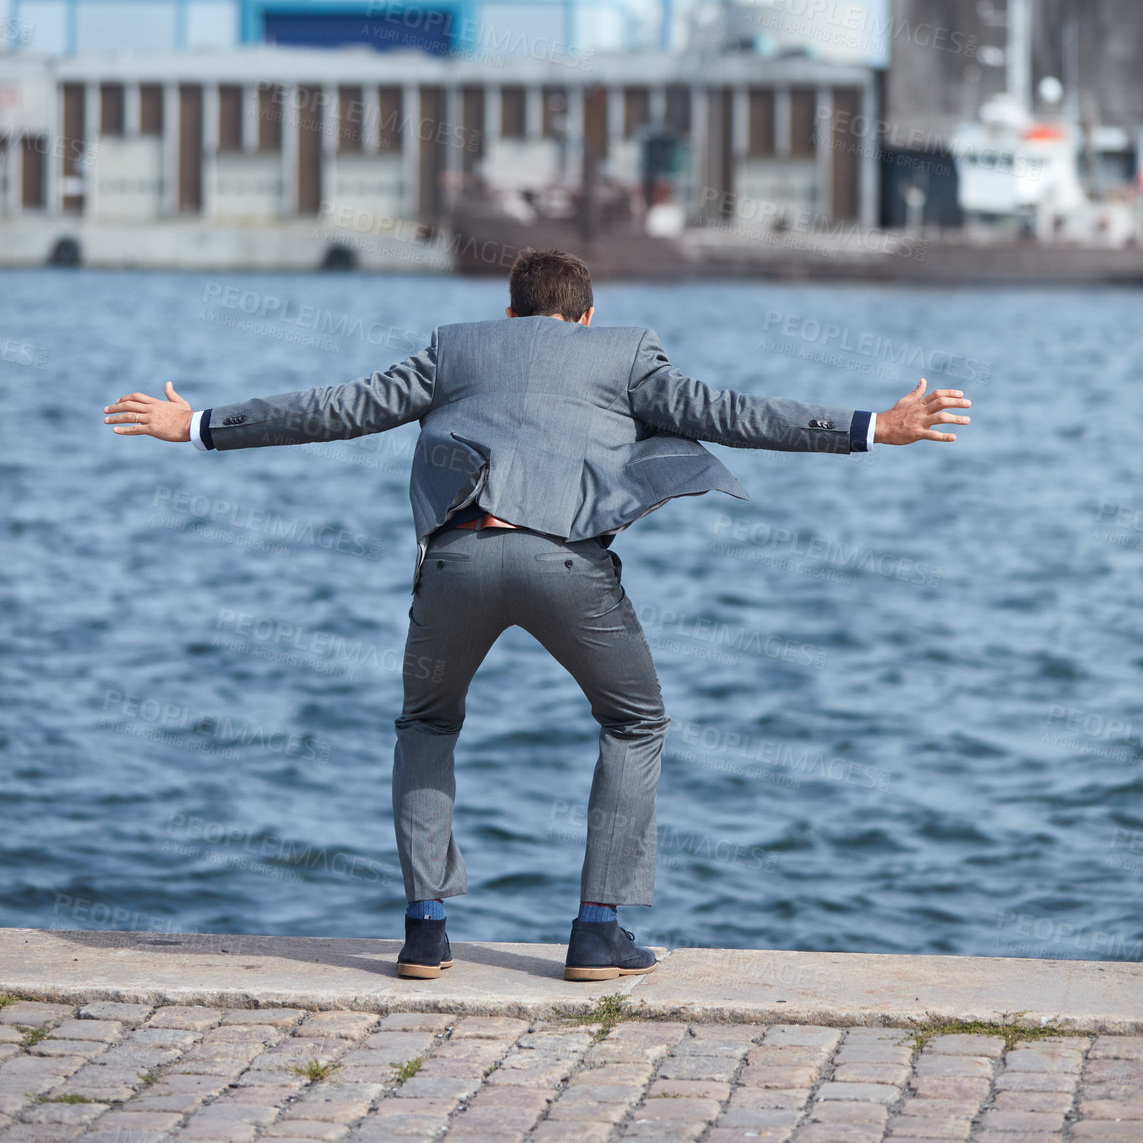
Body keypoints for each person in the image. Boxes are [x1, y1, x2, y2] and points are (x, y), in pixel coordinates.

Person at [105, 248, 970, 982]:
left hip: (457, 558)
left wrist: (199, 425)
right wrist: (871, 427)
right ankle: (598, 927)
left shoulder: (453, 350)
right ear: (586, 319)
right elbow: (734, 414)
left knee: (426, 724)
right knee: (634, 721)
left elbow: (338, 408)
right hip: (568, 564)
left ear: (509, 312)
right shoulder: (627, 355)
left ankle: (425, 930)